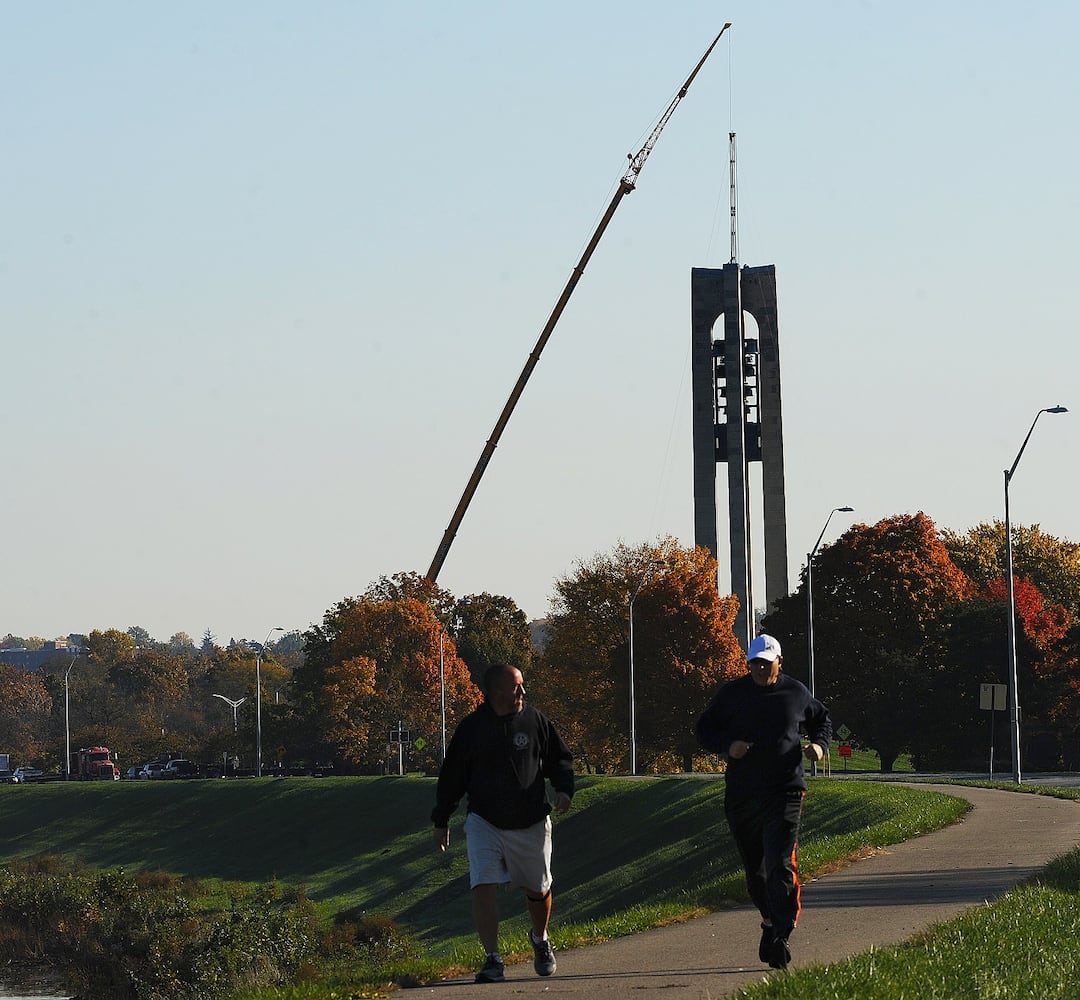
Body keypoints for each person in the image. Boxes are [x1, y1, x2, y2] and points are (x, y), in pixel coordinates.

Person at [695, 633, 832, 971]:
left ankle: (782, 935)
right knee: (755, 871)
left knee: (780, 863)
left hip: (785, 790)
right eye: (754, 663)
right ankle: (770, 920)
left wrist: (819, 746)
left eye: (765, 663)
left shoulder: (795, 692)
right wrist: (729, 746)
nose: (758, 668)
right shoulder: (732, 694)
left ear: (778, 663)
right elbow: (703, 729)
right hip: (743, 793)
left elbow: (821, 720)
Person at [432, 662, 574, 984]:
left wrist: (564, 788)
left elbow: (559, 758)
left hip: (530, 820)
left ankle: (540, 939)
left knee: (539, 889)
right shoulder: (471, 729)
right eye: (517, 686)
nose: (523, 691)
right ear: (498, 692)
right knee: (482, 884)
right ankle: (493, 959)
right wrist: (441, 818)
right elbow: (452, 776)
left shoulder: (535, 720)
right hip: (485, 820)